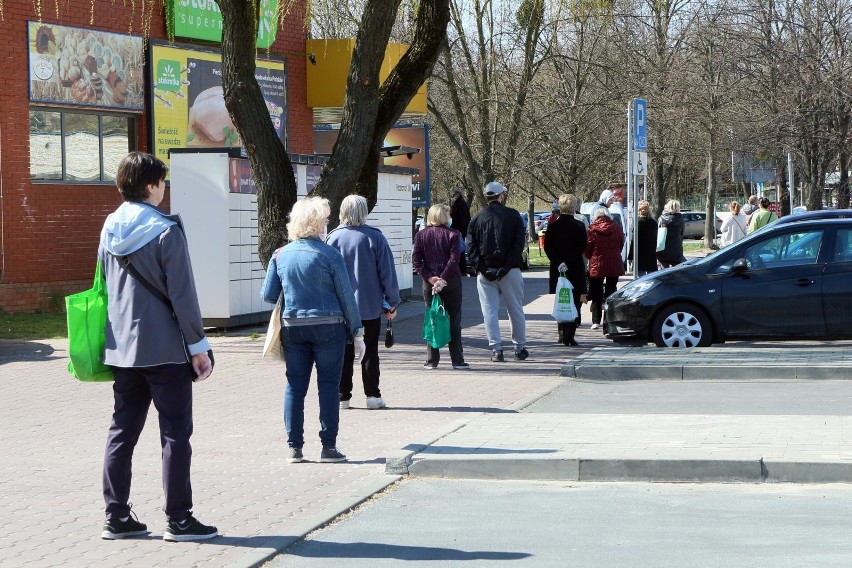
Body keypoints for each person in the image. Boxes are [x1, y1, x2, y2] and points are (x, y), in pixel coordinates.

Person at [98, 152, 218, 542]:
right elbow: (183, 296)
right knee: (175, 435)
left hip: (122, 349)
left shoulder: (109, 228)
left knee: (122, 432)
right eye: (162, 182)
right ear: (151, 185)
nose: (164, 189)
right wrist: (199, 347)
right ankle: (179, 519)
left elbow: (105, 287)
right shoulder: (166, 231)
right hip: (166, 349)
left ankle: (116, 516)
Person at [261, 196, 363, 465]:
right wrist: (357, 331)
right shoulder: (330, 254)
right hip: (329, 328)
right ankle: (328, 447)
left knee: (295, 386)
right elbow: (346, 296)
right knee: (328, 385)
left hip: (293, 326)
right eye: (325, 222)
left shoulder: (280, 254)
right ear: (317, 225)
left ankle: (295, 448)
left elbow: (268, 294)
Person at [326, 194, 400, 410]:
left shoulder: (332, 238)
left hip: (340, 308)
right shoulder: (375, 238)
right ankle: (372, 396)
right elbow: (387, 273)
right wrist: (391, 302)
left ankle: (342, 397)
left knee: (343, 353)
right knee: (369, 353)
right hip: (369, 306)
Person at [465, 181, 528, 362]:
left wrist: (482, 268)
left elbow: (471, 248)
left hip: (486, 272)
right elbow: (518, 244)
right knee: (515, 309)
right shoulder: (513, 215)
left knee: (489, 311)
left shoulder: (476, 219)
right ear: (501, 196)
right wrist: (507, 266)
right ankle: (519, 347)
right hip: (510, 270)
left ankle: (496, 349)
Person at [412, 203, 469, 369]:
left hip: (429, 284)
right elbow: (454, 260)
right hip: (451, 282)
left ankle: (432, 360)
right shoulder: (453, 235)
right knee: (454, 319)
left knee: (432, 319)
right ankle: (457, 360)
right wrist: (443, 279)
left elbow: (416, 260)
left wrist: (429, 277)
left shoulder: (421, 235)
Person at [543, 194, 587, 346]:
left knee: (561, 300)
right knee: (574, 302)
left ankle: (561, 333)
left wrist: (558, 262)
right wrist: (568, 262)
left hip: (558, 269)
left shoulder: (553, 226)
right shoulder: (579, 226)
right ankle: (570, 335)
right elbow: (581, 248)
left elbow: (548, 247)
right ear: (574, 207)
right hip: (574, 267)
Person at [585, 207, 625, 330]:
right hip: (614, 263)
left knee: (596, 292)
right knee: (611, 291)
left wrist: (590, 257)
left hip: (597, 264)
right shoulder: (617, 227)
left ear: (596, 217)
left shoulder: (592, 229)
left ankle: (596, 321)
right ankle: (609, 319)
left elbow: (588, 249)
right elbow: (621, 243)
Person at [628, 200, 658, 276]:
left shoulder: (637, 223)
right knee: (651, 279)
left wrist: (630, 256)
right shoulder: (654, 223)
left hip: (639, 255)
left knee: (641, 280)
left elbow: (633, 241)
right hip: (651, 254)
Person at [656, 199, 686, 268]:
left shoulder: (662, 218)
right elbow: (682, 233)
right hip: (676, 249)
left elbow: (657, 232)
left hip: (662, 248)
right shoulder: (680, 219)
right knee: (675, 271)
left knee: (663, 271)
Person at [450, 188, 472, 274]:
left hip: (459, 230)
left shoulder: (460, 204)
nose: (452, 197)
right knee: (459, 249)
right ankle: (460, 269)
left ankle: (461, 269)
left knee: (460, 250)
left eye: (453, 195)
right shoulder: (459, 203)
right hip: (459, 229)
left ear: (457, 195)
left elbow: (462, 219)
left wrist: (460, 231)